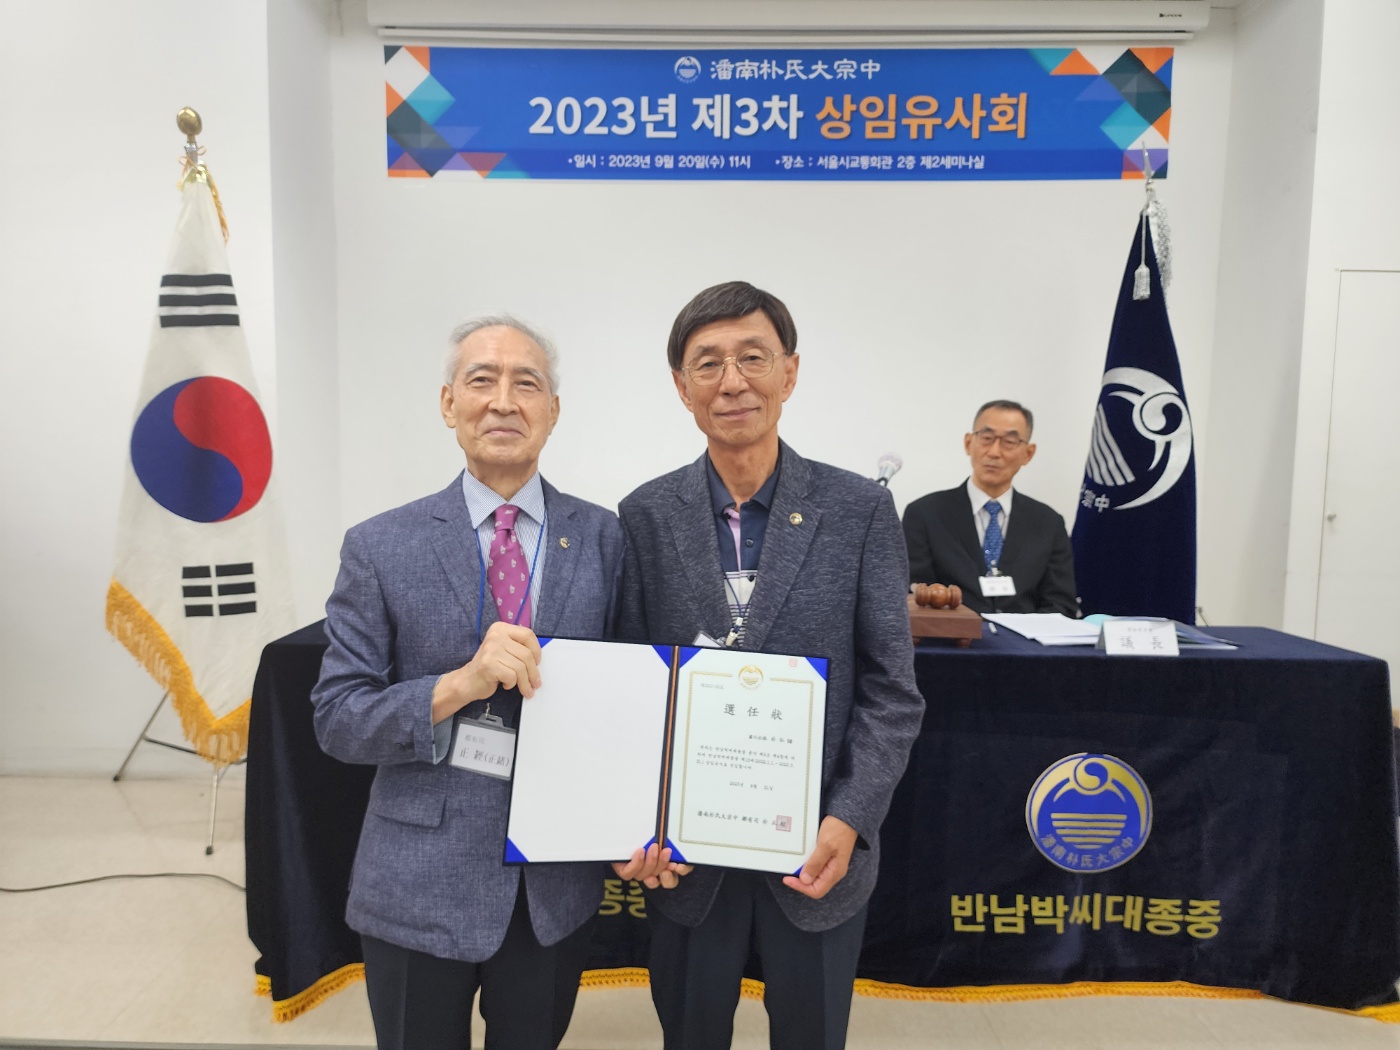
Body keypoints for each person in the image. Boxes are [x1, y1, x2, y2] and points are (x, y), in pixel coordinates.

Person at [311, 317, 676, 1050]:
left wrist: (637, 825)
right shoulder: (380, 545)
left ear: (553, 410)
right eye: (482, 380)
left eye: (526, 383)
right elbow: (338, 719)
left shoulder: (605, 539)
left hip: (552, 885)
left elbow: (636, 703)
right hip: (417, 879)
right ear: (449, 403)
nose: (504, 400)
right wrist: (459, 684)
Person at [618, 281, 925, 1050]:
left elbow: (892, 692)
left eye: (753, 357)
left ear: (790, 372)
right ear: (681, 386)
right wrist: (637, 821)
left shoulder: (858, 511)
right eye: (709, 363)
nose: (733, 382)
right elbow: (628, 688)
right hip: (687, 863)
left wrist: (849, 818)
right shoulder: (644, 516)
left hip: (816, 854)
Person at [901, 400, 1078, 616]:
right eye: (986, 438)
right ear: (968, 443)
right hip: (953, 635)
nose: (994, 452)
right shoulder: (924, 514)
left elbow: (1060, 603)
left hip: (1023, 637)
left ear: (1028, 453)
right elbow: (913, 592)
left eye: (1009, 442)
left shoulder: (1048, 523)